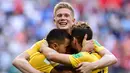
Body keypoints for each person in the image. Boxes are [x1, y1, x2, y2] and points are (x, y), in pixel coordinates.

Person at [12, 2, 117, 73]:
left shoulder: (83, 40)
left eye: (66, 15)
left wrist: (92, 66)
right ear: (54, 20)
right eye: (59, 15)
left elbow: (111, 58)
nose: (63, 18)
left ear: (73, 20)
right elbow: (18, 60)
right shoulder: (45, 43)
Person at [40, 22, 117, 73]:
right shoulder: (99, 53)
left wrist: (43, 44)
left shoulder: (82, 57)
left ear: (74, 40)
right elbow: (111, 57)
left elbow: (51, 56)